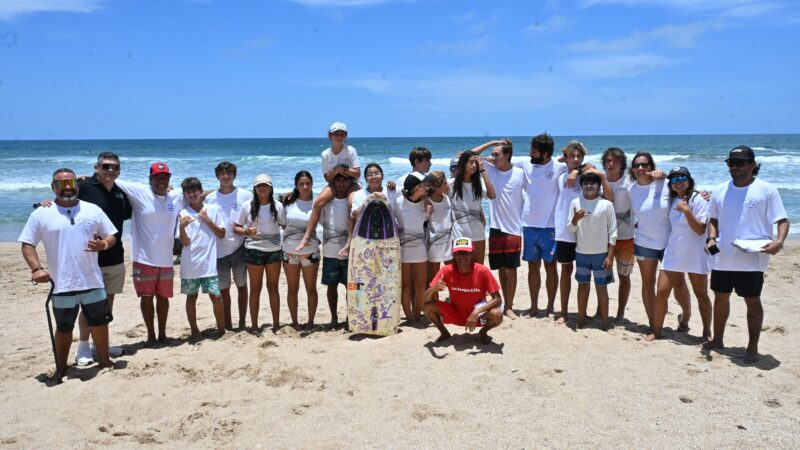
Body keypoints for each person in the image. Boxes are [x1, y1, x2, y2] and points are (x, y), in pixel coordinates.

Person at [20, 168, 118, 380]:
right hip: (61, 283)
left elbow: (112, 235)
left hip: (92, 279)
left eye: (70, 183)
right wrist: (36, 269)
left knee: (100, 323)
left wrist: (104, 244)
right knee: (64, 328)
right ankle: (61, 367)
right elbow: (27, 244)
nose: (67, 188)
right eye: (61, 184)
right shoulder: (41, 213)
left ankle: (104, 359)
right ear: (53, 187)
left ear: (77, 184)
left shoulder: (92, 209)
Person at [704, 146, 789, 363]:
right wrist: (712, 238)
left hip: (752, 257)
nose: (735, 167)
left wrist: (778, 243)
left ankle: (752, 347)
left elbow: (782, 220)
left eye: (740, 162)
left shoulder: (766, 189)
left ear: (752, 165)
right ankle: (718, 339)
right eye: (731, 163)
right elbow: (713, 218)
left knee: (752, 300)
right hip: (723, 255)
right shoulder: (720, 189)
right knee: (720, 296)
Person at [116, 162, 185, 346]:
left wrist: (221, 190)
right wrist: (86, 179)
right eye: (157, 177)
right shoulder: (139, 191)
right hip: (143, 257)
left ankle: (162, 334)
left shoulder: (176, 197)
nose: (161, 181)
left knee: (163, 298)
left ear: (169, 178)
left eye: (164, 177)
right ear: (151, 178)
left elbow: (197, 194)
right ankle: (151, 335)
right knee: (146, 298)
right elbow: (111, 179)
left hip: (166, 259)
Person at [73, 152, 131, 365]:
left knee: (107, 304)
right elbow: (61, 200)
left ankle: (100, 345)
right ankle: (83, 347)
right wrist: (45, 203)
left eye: (115, 167)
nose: (110, 171)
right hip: (89, 257)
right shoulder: (84, 187)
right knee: (89, 305)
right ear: (96, 168)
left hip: (115, 256)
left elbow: (127, 215)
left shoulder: (120, 193)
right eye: (106, 166)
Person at [646, 166, 712, 341]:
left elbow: (700, 229)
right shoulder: (671, 200)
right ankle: (656, 331)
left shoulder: (699, 199)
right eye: (674, 179)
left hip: (695, 254)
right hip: (673, 252)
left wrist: (687, 211)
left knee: (701, 295)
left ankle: (706, 333)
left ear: (689, 179)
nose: (678, 182)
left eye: (682, 177)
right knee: (661, 292)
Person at [553, 141, 612, 324]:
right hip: (566, 231)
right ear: (566, 158)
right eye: (572, 156)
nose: (576, 159)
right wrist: (570, 167)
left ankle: (595, 312)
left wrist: (577, 170)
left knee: (591, 277)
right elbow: (558, 160)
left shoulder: (588, 175)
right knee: (566, 271)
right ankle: (563, 311)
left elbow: (593, 170)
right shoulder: (560, 174)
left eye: (579, 156)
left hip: (588, 234)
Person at [470, 139, 525, 319]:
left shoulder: (520, 172)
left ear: (507, 155)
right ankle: (503, 303)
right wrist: (493, 142)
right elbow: (471, 154)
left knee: (512, 268)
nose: (493, 157)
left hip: (514, 228)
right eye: (492, 154)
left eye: (497, 154)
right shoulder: (489, 170)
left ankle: (510, 306)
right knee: (501, 268)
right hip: (495, 227)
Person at [516, 133, 569, 317]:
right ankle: (533, 306)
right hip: (529, 225)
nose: (531, 153)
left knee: (551, 267)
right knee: (532, 267)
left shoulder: (559, 166)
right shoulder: (526, 163)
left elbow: (583, 165)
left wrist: (577, 171)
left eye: (534, 151)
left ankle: (550, 307)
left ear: (545, 154)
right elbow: (501, 162)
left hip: (551, 226)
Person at [423, 238, 504, 344]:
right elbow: (424, 300)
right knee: (428, 307)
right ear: (454, 256)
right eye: (458, 253)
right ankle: (444, 333)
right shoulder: (446, 270)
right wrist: (433, 290)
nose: (462, 257)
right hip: (456, 312)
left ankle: (483, 332)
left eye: (466, 253)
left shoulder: (482, 271)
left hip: (477, 314)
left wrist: (477, 311)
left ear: (472, 255)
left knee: (497, 314)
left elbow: (498, 299)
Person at [296, 122, 360, 251]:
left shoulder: (350, 150)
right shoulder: (325, 154)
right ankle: (307, 237)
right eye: (337, 134)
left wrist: (344, 170)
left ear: (345, 136)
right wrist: (335, 172)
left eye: (342, 134)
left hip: (351, 183)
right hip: (334, 184)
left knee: (352, 203)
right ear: (330, 136)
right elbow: (327, 178)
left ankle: (350, 239)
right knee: (318, 202)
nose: (339, 136)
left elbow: (357, 174)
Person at [205, 162, 252, 331]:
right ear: (217, 176)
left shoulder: (245, 195)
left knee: (242, 286)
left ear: (234, 175)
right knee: (224, 289)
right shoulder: (210, 198)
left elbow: (256, 211)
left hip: (240, 247)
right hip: (218, 250)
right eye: (222, 173)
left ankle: (242, 323)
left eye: (229, 173)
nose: (226, 176)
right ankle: (228, 324)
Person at [177, 177, 226, 340]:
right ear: (185, 194)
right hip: (190, 264)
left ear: (200, 191)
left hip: (209, 264)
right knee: (192, 297)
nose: (191, 194)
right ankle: (194, 331)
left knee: (216, 296)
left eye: (194, 191)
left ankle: (221, 330)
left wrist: (206, 219)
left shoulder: (213, 209)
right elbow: (185, 243)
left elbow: (221, 234)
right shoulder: (183, 213)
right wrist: (182, 227)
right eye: (188, 192)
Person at [567, 172, 617, 330]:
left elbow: (613, 232)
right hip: (581, 252)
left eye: (593, 183)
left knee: (601, 288)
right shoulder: (575, 202)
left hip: (601, 254)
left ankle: (605, 322)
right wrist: (575, 219)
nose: (589, 186)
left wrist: (610, 256)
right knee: (582, 286)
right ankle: (581, 318)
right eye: (585, 183)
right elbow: (570, 228)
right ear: (581, 186)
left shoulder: (606, 205)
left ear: (599, 186)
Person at [628, 152, 671, 334]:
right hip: (644, 241)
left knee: (673, 286)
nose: (641, 168)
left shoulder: (665, 183)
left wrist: (666, 174)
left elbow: (685, 187)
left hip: (670, 243)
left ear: (652, 167)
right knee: (648, 284)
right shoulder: (630, 190)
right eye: (637, 165)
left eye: (645, 165)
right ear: (632, 169)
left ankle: (685, 317)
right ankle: (654, 325)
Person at [235, 174, 283, 334]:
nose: (262, 188)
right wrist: (247, 231)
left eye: (266, 185)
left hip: (274, 251)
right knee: (255, 289)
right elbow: (236, 227)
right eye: (259, 186)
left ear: (271, 188)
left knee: (273, 288)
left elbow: (285, 226)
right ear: (254, 188)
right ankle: (254, 325)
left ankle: (276, 324)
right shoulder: (247, 205)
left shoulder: (278, 206)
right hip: (253, 250)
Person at [281, 171, 321, 330]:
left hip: (310, 251)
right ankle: (295, 322)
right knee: (292, 288)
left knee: (311, 288)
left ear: (312, 184)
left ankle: (311, 322)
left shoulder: (318, 203)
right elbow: (283, 224)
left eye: (308, 183)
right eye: (301, 184)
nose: (305, 187)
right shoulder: (288, 203)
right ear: (296, 185)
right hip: (289, 251)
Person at [600, 147, 634, 321]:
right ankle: (601, 310)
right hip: (603, 239)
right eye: (608, 161)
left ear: (622, 164)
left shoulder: (629, 182)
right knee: (601, 277)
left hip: (626, 237)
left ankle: (620, 313)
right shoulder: (599, 180)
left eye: (615, 161)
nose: (611, 164)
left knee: (624, 277)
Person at [395, 172, 431, 323]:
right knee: (405, 285)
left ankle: (417, 315)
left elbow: (426, 219)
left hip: (420, 247)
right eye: (423, 186)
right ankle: (409, 318)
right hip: (403, 248)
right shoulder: (397, 202)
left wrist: (427, 202)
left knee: (421, 285)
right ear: (417, 188)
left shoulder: (424, 203)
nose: (426, 188)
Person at [449, 151, 496, 264]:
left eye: (476, 162)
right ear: (463, 164)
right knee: (461, 269)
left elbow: (492, 195)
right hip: (459, 233)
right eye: (471, 162)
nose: (474, 165)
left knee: (478, 267)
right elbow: (430, 191)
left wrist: (483, 171)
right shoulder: (451, 184)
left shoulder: (479, 183)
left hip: (478, 232)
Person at [343, 162, 397, 257]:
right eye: (369, 175)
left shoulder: (391, 191)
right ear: (365, 179)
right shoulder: (359, 194)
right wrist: (371, 199)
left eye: (376, 173)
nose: (373, 177)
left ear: (382, 176)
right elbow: (355, 215)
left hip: (388, 238)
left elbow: (410, 192)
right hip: (365, 238)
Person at [320, 173, 353, 329]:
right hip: (329, 251)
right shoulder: (326, 202)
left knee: (351, 287)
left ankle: (349, 316)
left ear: (349, 182)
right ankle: (334, 317)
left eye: (345, 180)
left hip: (351, 252)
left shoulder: (353, 200)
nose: (341, 184)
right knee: (331, 286)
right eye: (338, 180)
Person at [425, 171, 453, 291]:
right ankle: (433, 306)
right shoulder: (427, 202)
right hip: (433, 245)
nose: (448, 185)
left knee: (452, 276)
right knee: (433, 280)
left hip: (448, 243)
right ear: (436, 187)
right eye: (445, 183)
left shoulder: (447, 198)